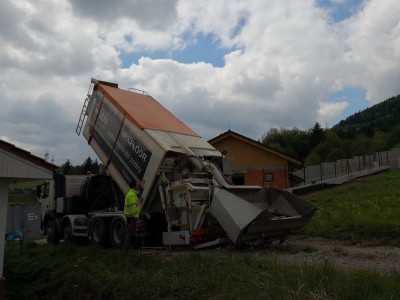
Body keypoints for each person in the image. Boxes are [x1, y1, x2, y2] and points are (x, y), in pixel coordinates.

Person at [124, 180, 140, 249]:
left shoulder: (131, 194)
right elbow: (134, 208)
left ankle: (130, 246)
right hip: (132, 217)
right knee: (130, 232)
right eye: (137, 185)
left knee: (130, 231)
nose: (138, 186)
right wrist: (137, 218)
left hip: (130, 216)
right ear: (134, 187)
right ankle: (127, 246)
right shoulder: (132, 195)